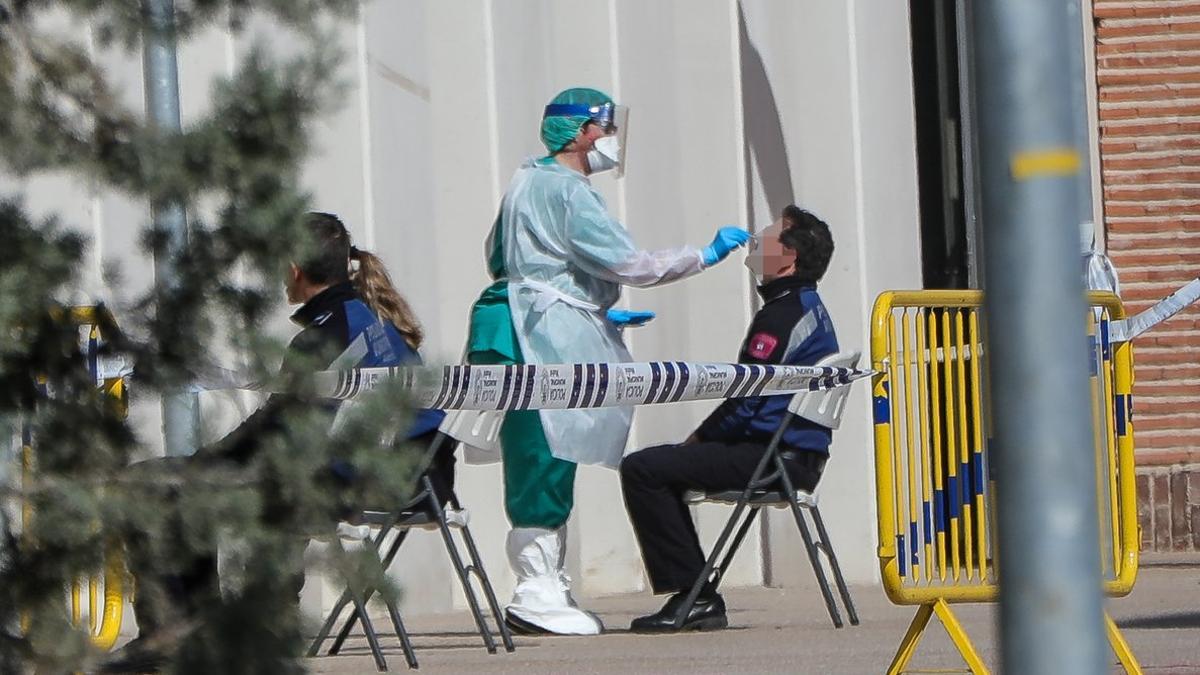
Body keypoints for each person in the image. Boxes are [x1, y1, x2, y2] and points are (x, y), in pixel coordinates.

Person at [464, 87, 751, 636]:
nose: (610, 140)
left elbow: (504, 257)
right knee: (545, 452)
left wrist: (592, 310)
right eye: (604, 128)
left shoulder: (525, 181)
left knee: (552, 449)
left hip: (528, 324)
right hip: (537, 334)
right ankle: (535, 591)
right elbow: (630, 264)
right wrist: (703, 255)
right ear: (578, 133)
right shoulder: (568, 191)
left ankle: (547, 584)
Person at [106, 212, 448, 671]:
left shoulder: (326, 336)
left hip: (344, 481)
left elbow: (282, 431)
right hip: (406, 478)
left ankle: (177, 637)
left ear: (294, 269)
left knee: (153, 483)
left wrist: (206, 461)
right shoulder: (371, 319)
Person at [619, 206, 837, 633]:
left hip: (773, 458)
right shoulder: (803, 305)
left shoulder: (783, 314)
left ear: (788, 258)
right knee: (660, 466)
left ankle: (694, 596)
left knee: (644, 469)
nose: (757, 239)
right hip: (795, 456)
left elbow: (744, 403)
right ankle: (695, 593)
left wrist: (696, 442)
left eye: (770, 235)